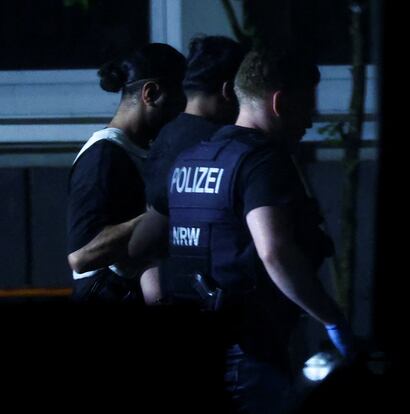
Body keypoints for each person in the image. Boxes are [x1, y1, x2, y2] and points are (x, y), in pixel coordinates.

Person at [164, 49, 356, 413]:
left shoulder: (192, 158)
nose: (311, 121)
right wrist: (331, 319)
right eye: (306, 107)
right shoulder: (263, 160)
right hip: (248, 350)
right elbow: (275, 251)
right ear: (280, 102)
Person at [129, 35, 247, 299]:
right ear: (229, 92)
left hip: (174, 286)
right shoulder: (224, 145)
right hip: (218, 292)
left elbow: (147, 241)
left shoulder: (165, 136)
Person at [67, 43, 186, 303]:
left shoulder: (143, 150)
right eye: (179, 100)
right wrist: (162, 213)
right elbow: (81, 256)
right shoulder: (103, 156)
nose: (181, 112)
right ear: (151, 93)